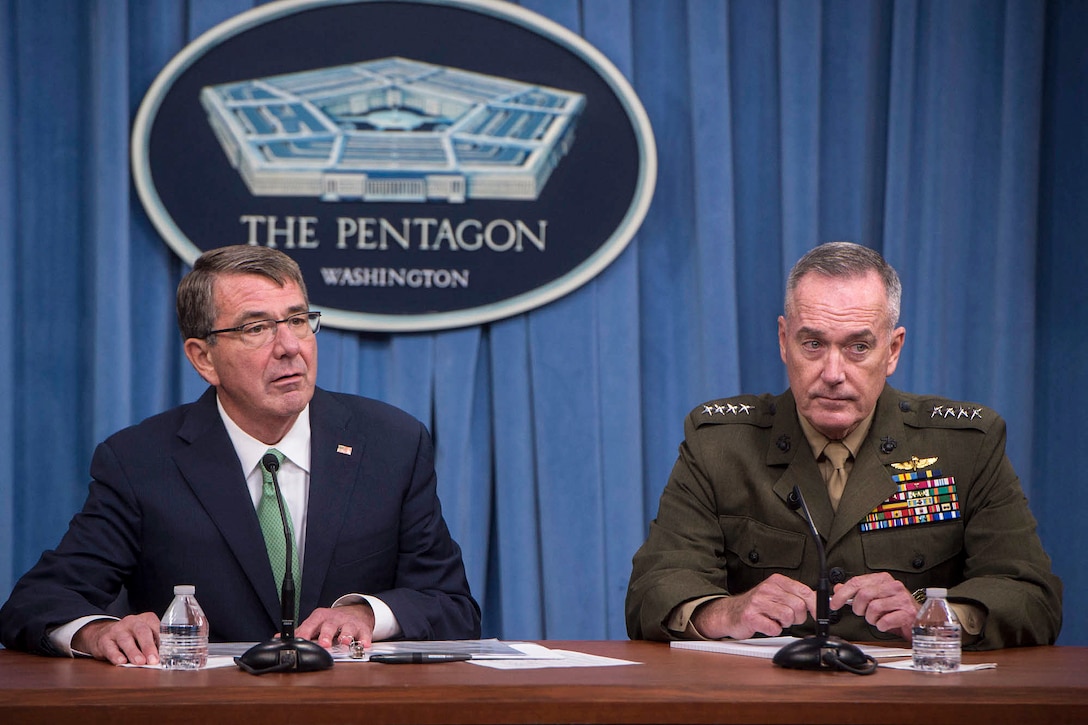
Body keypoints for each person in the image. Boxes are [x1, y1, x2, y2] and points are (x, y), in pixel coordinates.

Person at [0, 245, 480, 664]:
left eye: (297, 320)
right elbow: (38, 602)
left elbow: (452, 605)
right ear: (203, 357)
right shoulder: (140, 461)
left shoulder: (391, 443)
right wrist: (98, 630)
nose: (290, 347)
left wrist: (368, 614)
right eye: (257, 328)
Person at [626, 242, 1061, 649]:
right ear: (784, 342)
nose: (833, 372)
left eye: (857, 347)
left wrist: (932, 616)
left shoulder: (965, 447)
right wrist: (727, 612)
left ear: (892, 351)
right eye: (813, 344)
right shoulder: (721, 446)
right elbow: (653, 588)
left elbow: (1032, 597)